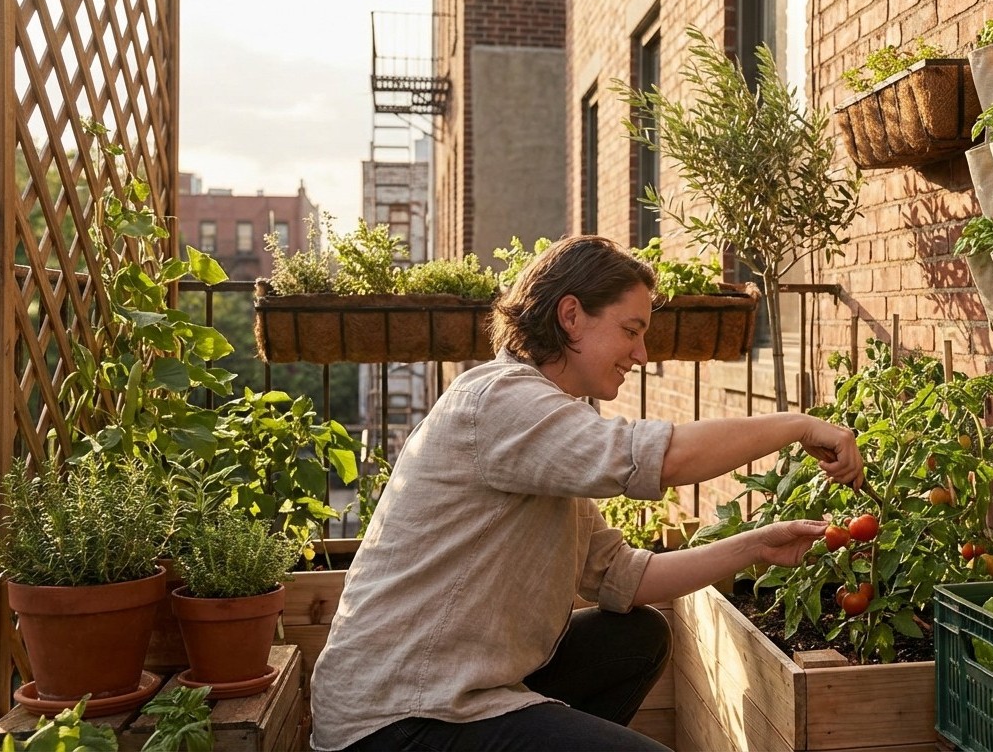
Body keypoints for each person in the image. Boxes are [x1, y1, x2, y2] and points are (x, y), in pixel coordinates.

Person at [309, 235, 862, 751]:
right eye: (631, 330)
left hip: (458, 691)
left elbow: (621, 577)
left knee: (636, 636)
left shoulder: (546, 420)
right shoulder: (500, 400)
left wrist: (754, 546)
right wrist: (798, 425)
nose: (642, 354)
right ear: (571, 315)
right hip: (396, 718)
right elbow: (661, 459)